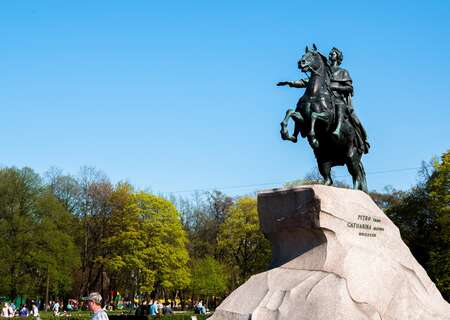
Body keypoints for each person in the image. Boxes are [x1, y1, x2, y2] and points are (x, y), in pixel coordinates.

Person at [328, 47, 369, 153]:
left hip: (338, 98)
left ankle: (361, 140)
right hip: (326, 99)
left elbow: (350, 88)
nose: (331, 54)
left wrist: (335, 87)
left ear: (338, 57)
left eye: (333, 53)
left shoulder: (343, 72)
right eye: (330, 53)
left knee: (352, 118)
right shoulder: (325, 70)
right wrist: (291, 83)